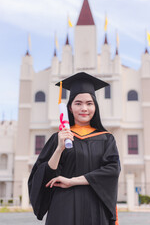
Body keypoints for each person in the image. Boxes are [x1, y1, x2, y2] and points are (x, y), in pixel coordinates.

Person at [28, 72, 121, 225]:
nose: (84, 108)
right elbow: (43, 176)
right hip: (63, 208)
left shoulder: (106, 138)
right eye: (78, 103)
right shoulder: (59, 138)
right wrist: (59, 148)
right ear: (69, 108)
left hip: (95, 207)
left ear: (95, 107)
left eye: (89, 103)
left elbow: (112, 170)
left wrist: (73, 181)